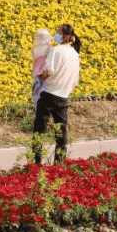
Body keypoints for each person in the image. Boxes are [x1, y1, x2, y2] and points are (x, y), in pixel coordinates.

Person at [33, 24, 81, 164]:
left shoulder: (56, 50)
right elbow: (75, 79)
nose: (56, 35)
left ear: (66, 36)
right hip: (64, 97)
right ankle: (59, 164)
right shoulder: (74, 54)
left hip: (48, 94)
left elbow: (47, 73)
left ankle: (36, 163)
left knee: (39, 131)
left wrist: (37, 67)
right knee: (61, 133)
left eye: (59, 32)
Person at [31, 29, 51, 106]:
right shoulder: (50, 49)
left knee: (38, 93)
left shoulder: (34, 50)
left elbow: (34, 63)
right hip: (46, 74)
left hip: (37, 74)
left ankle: (37, 109)